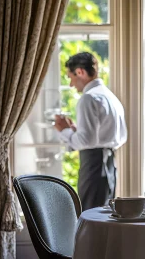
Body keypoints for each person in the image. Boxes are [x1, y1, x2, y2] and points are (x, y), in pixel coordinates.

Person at [54, 52, 127, 211]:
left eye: (70, 77)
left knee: (90, 212)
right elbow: (111, 136)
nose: (72, 84)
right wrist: (75, 131)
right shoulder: (110, 97)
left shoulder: (88, 98)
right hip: (109, 164)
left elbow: (87, 141)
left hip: (93, 165)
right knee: (105, 214)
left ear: (80, 72)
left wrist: (65, 131)